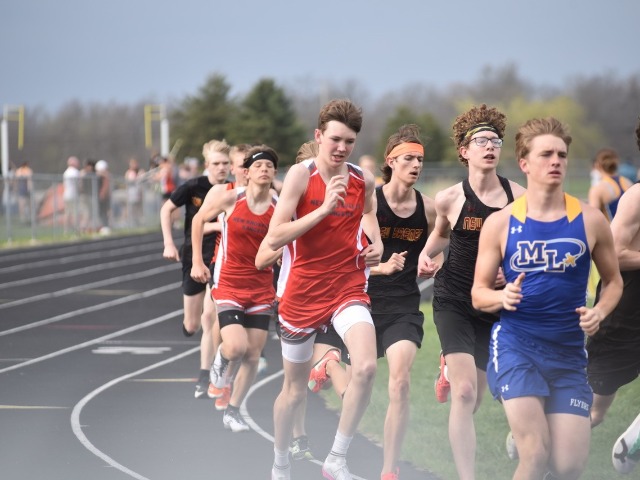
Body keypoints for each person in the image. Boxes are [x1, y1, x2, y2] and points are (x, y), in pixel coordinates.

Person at [471, 116, 623, 479]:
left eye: (561, 154)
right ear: (524, 163)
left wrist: (600, 311)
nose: (556, 161)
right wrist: (502, 297)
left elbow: (614, 282)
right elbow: (478, 294)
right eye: (546, 154)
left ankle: (532, 430)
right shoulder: (501, 223)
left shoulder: (590, 220)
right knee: (536, 455)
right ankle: (528, 434)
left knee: (569, 466)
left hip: (569, 352)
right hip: (517, 346)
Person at [264, 99, 382, 480]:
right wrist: (322, 210)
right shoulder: (301, 176)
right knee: (294, 391)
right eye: (335, 139)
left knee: (366, 366)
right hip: (302, 294)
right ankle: (280, 461)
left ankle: (337, 458)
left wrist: (377, 242)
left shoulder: (362, 180)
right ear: (318, 136)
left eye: (349, 141)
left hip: (347, 286)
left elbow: (368, 211)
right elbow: (275, 236)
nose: (342, 148)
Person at [416, 104, 525, 480]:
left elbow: (529, 249)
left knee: (476, 397)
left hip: (496, 305)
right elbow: (442, 234)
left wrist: (511, 271)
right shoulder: (449, 198)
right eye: (481, 141)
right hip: (455, 300)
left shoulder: (518, 198)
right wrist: (426, 255)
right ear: (464, 150)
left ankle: (449, 368)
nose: (490, 146)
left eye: (495, 140)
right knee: (463, 394)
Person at [191, 145, 280, 433]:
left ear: (275, 173)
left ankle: (233, 410)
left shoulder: (280, 207)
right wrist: (197, 261)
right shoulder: (231, 198)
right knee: (236, 347)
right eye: (258, 166)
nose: (264, 169)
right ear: (247, 172)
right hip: (229, 283)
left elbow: (293, 239)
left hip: (261, 287)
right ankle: (218, 367)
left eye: (269, 166)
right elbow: (198, 220)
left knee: (253, 355)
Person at [160, 139, 231, 399]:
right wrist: (169, 243)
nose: (221, 168)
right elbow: (166, 209)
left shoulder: (233, 190)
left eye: (225, 163)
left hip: (220, 259)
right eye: (216, 163)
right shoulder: (193, 186)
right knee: (192, 324)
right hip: (193, 256)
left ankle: (206, 376)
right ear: (207, 165)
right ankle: (192, 330)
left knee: (209, 317)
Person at [589, 119, 640, 475]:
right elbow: (613, 255)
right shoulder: (636, 196)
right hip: (625, 307)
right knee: (595, 408)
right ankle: (534, 434)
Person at [587, 147, 633, 222]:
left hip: (612, 229)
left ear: (597, 165)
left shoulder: (598, 189)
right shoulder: (629, 183)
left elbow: (591, 219)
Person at [63, 156, 81, 234]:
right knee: (75, 213)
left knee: (67, 213)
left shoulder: (66, 172)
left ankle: (66, 230)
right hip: (74, 195)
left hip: (66, 194)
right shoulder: (75, 172)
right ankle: (76, 229)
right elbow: (79, 184)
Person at [124, 157, 145, 226]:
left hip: (139, 194)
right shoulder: (129, 172)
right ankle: (131, 222)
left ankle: (138, 222)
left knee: (138, 209)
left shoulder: (140, 172)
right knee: (131, 209)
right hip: (131, 194)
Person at [95, 160, 111, 234]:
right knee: (101, 213)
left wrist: (102, 194)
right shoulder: (98, 177)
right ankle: (102, 226)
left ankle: (105, 226)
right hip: (100, 198)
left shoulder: (106, 177)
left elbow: (106, 187)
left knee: (105, 212)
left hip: (104, 198)